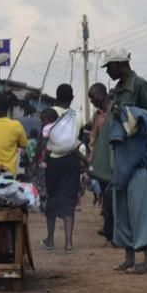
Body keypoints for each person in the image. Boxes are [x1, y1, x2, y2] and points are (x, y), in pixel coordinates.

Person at [102, 47, 147, 274]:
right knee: (122, 210)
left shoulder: (140, 86)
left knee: (141, 209)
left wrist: (130, 115)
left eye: (110, 66)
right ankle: (129, 256)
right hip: (122, 159)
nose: (108, 71)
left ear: (120, 64)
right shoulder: (117, 91)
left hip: (139, 159)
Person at [40, 84, 83, 253]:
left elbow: (43, 137)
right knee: (68, 201)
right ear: (71, 99)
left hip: (53, 162)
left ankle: (50, 239)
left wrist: (38, 159)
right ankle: (68, 243)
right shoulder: (77, 115)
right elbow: (76, 140)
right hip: (72, 161)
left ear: (56, 97)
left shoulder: (48, 113)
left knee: (52, 197)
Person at [87, 83, 116, 245]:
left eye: (93, 97)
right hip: (102, 163)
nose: (92, 101)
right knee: (106, 197)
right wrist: (91, 158)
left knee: (114, 197)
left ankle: (114, 231)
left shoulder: (115, 110)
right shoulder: (96, 116)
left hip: (116, 161)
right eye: (90, 99)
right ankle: (110, 231)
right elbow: (94, 139)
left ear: (102, 94)